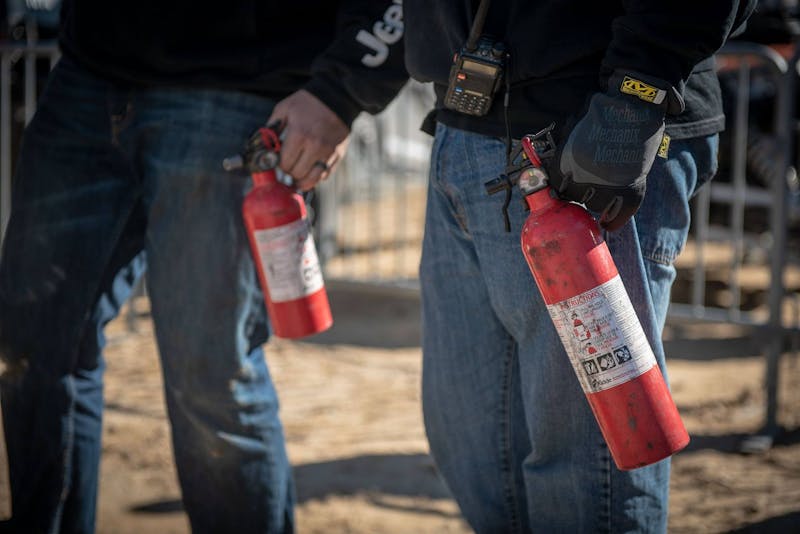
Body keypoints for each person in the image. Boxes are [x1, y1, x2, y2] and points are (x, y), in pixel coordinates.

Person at [0, 1, 406, 532]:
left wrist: (343, 88)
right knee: (30, 351)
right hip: (88, 73)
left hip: (240, 87)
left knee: (210, 374)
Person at [403, 1, 756, 532]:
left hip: (590, 138)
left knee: (589, 465)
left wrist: (636, 95)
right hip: (466, 120)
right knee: (473, 446)